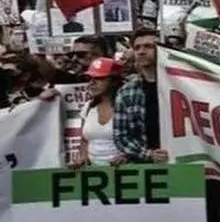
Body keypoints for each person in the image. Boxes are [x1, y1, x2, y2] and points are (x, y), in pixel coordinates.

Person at [113, 28, 169, 163]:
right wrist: (148, 154)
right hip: (146, 167)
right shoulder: (126, 92)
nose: (141, 51)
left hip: (184, 162)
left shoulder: (182, 85)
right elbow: (121, 136)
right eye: (137, 47)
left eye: (149, 46)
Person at [71, 57, 127, 168]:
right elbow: (84, 140)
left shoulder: (127, 106)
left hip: (124, 172)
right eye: (90, 78)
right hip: (94, 173)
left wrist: (127, 156)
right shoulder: (87, 107)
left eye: (99, 78)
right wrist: (82, 157)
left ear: (114, 81)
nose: (92, 83)